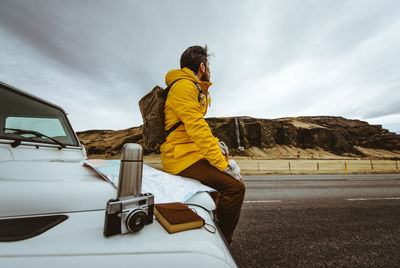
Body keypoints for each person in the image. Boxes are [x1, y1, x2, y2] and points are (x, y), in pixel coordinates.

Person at [160, 45, 246, 244]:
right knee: (235, 188)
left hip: (188, 152)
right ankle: (223, 243)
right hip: (180, 157)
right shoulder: (184, 86)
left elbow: (192, 129)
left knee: (218, 188)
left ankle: (207, 229)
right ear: (202, 67)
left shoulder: (194, 87)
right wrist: (223, 164)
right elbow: (196, 128)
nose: (210, 70)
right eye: (209, 66)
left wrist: (217, 145)